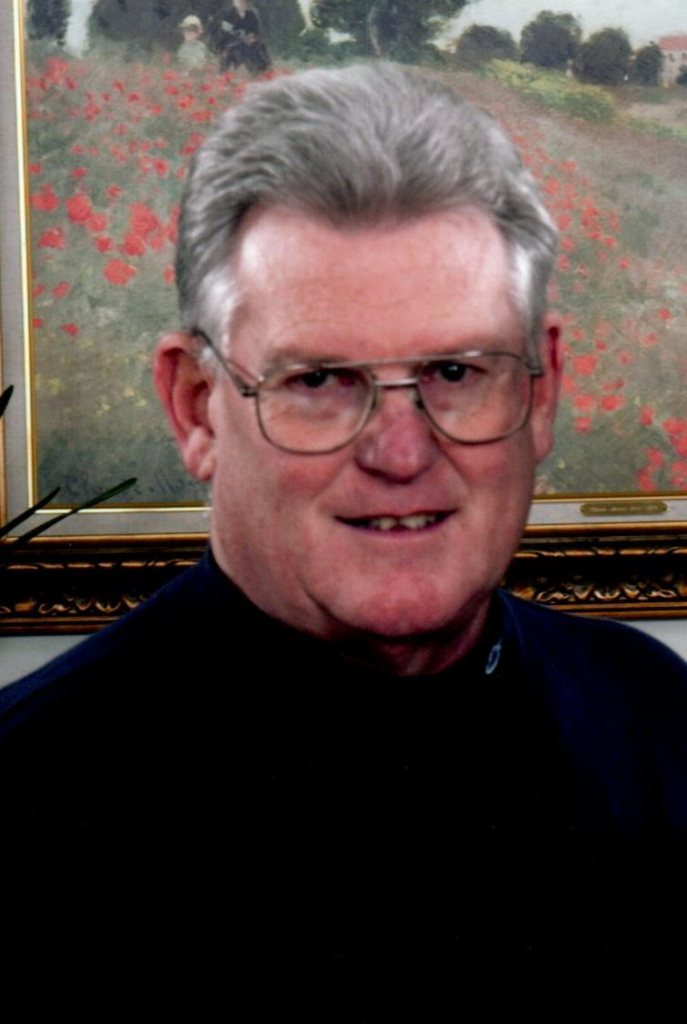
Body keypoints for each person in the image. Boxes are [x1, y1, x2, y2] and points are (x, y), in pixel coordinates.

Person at [1, 64, 687, 1013]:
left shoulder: (653, 716)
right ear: (196, 407)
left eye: (455, 371)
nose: (400, 453)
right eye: (318, 382)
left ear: (539, 393)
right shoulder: (24, 801)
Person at [211, 0, 270, 74]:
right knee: (233, 52)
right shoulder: (227, 14)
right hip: (232, 44)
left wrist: (252, 37)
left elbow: (256, 31)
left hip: (249, 44)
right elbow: (224, 34)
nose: (242, 3)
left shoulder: (251, 15)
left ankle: (263, 70)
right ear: (234, 2)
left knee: (260, 48)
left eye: (244, 2)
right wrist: (240, 39)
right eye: (240, 1)